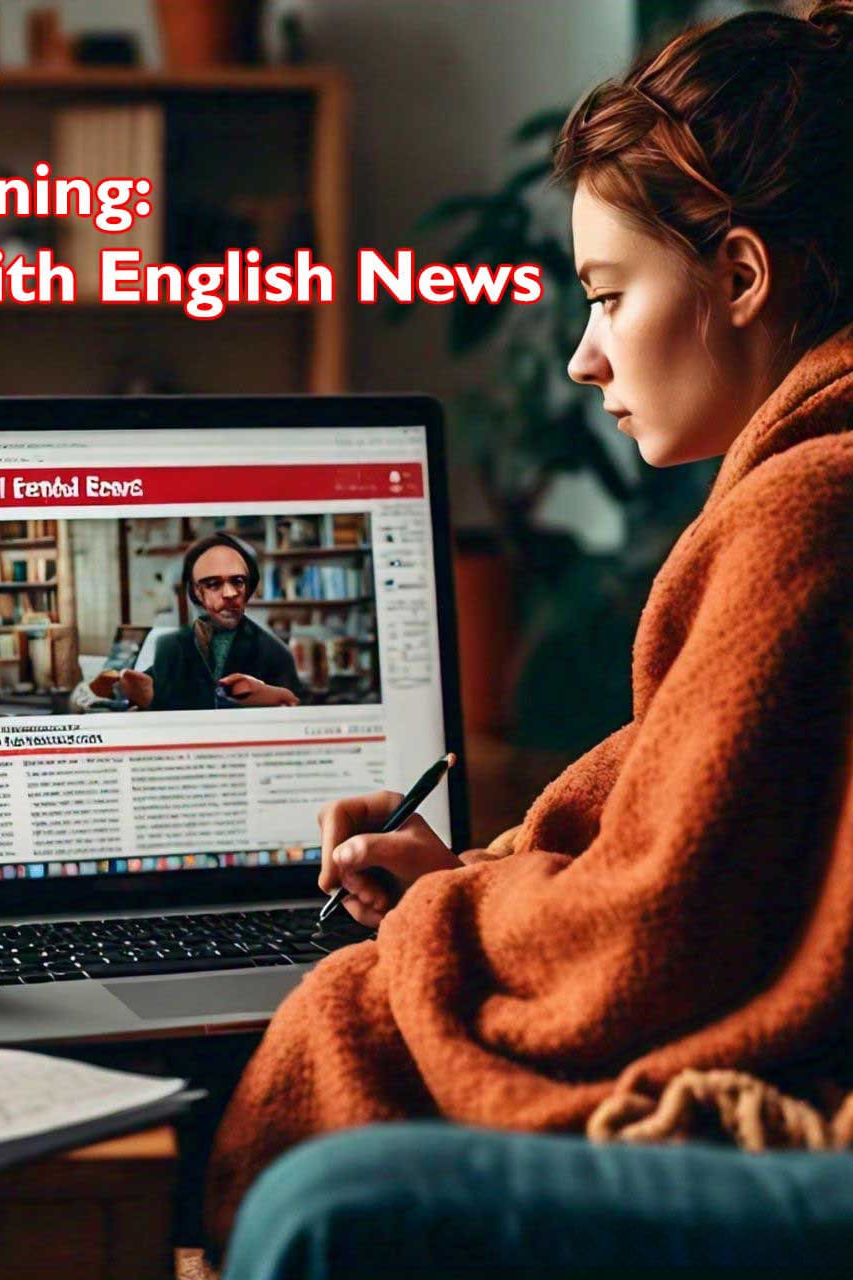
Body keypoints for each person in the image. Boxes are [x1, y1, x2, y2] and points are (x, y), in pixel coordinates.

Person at [202, 0, 853, 1263]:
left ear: (737, 275)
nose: (581, 360)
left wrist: (431, 929)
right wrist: (462, 881)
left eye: (608, 297)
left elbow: (653, 933)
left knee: (332, 1047)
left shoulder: (806, 511)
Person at [89, 531, 304, 711]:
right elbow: (148, 685)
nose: (229, 593)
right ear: (196, 592)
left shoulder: (274, 654)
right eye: (213, 584)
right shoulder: (172, 646)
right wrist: (123, 688)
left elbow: (294, 713)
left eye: (237, 581)